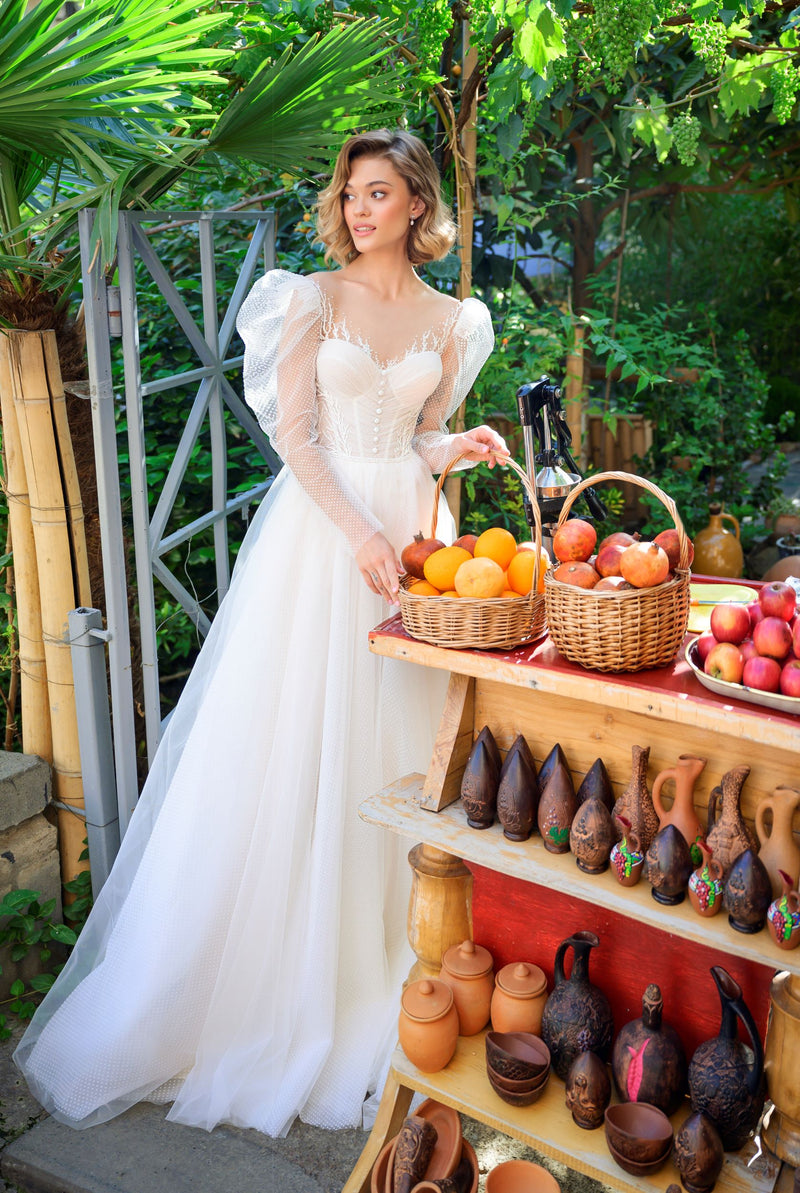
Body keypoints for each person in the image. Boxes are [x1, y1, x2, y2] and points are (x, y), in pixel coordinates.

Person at [14, 128, 505, 1138]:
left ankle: (393, 957)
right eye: (349, 194)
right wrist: (362, 530)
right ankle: (279, 985)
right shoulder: (309, 299)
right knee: (300, 744)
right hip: (324, 543)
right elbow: (296, 437)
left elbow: (410, 435)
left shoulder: (456, 318)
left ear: (418, 203)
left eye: (378, 193)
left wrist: (454, 444)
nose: (358, 209)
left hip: (416, 541)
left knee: (406, 747)